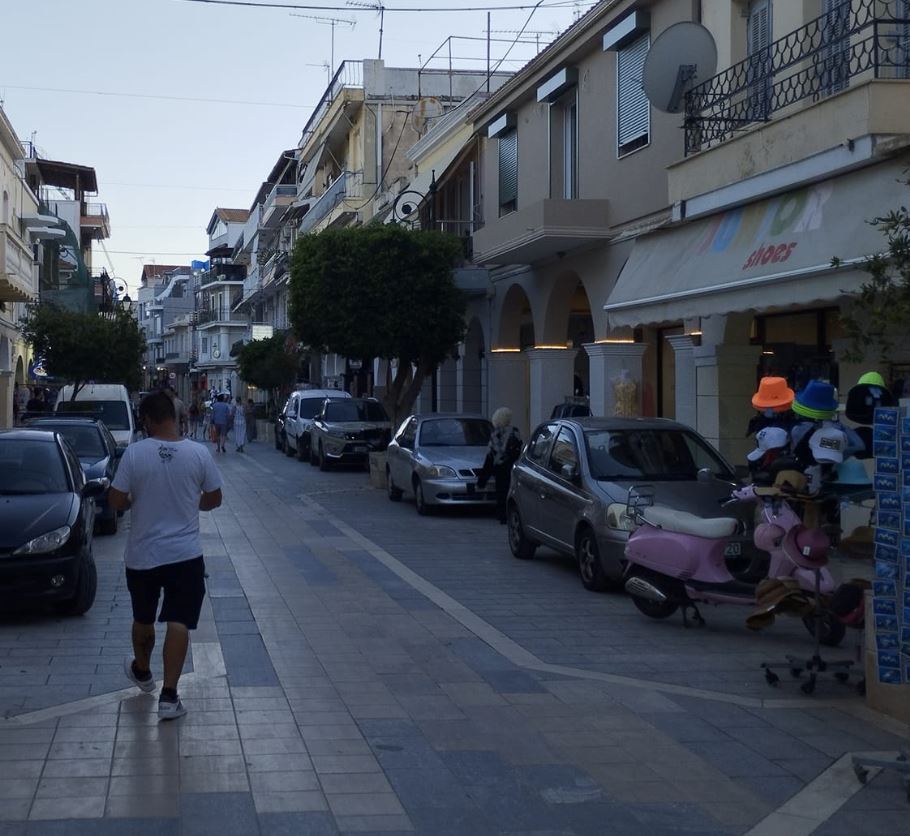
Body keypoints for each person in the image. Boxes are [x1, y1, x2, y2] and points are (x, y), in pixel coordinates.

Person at [108, 391, 222, 720]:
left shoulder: (135, 454)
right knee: (179, 622)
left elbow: (115, 501)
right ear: (175, 417)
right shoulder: (198, 454)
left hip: (142, 555)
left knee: (143, 619)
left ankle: (143, 671)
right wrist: (193, 502)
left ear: (147, 420)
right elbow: (214, 498)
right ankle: (169, 697)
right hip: (185, 556)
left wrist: (133, 501)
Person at [478, 407, 523, 524]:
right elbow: (518, 450)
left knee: (501, 492)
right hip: (512, 466)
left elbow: (490, 456)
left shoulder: (495, 434)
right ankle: (511, 515)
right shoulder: (515, 432)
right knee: (512, 492)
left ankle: (502, 515)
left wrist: (482, 480)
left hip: (499, 468)